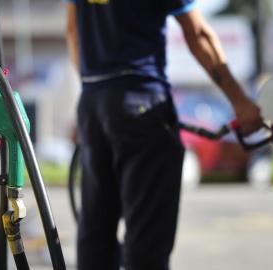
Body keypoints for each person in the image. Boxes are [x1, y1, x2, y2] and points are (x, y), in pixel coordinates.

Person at [65, 1, 262, 269]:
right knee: (146, 240)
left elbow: (73, 31)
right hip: (140, 99)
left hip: (93, 101)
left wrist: (100, 93)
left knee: (96, 232)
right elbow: (199, 35)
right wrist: (240, 102)